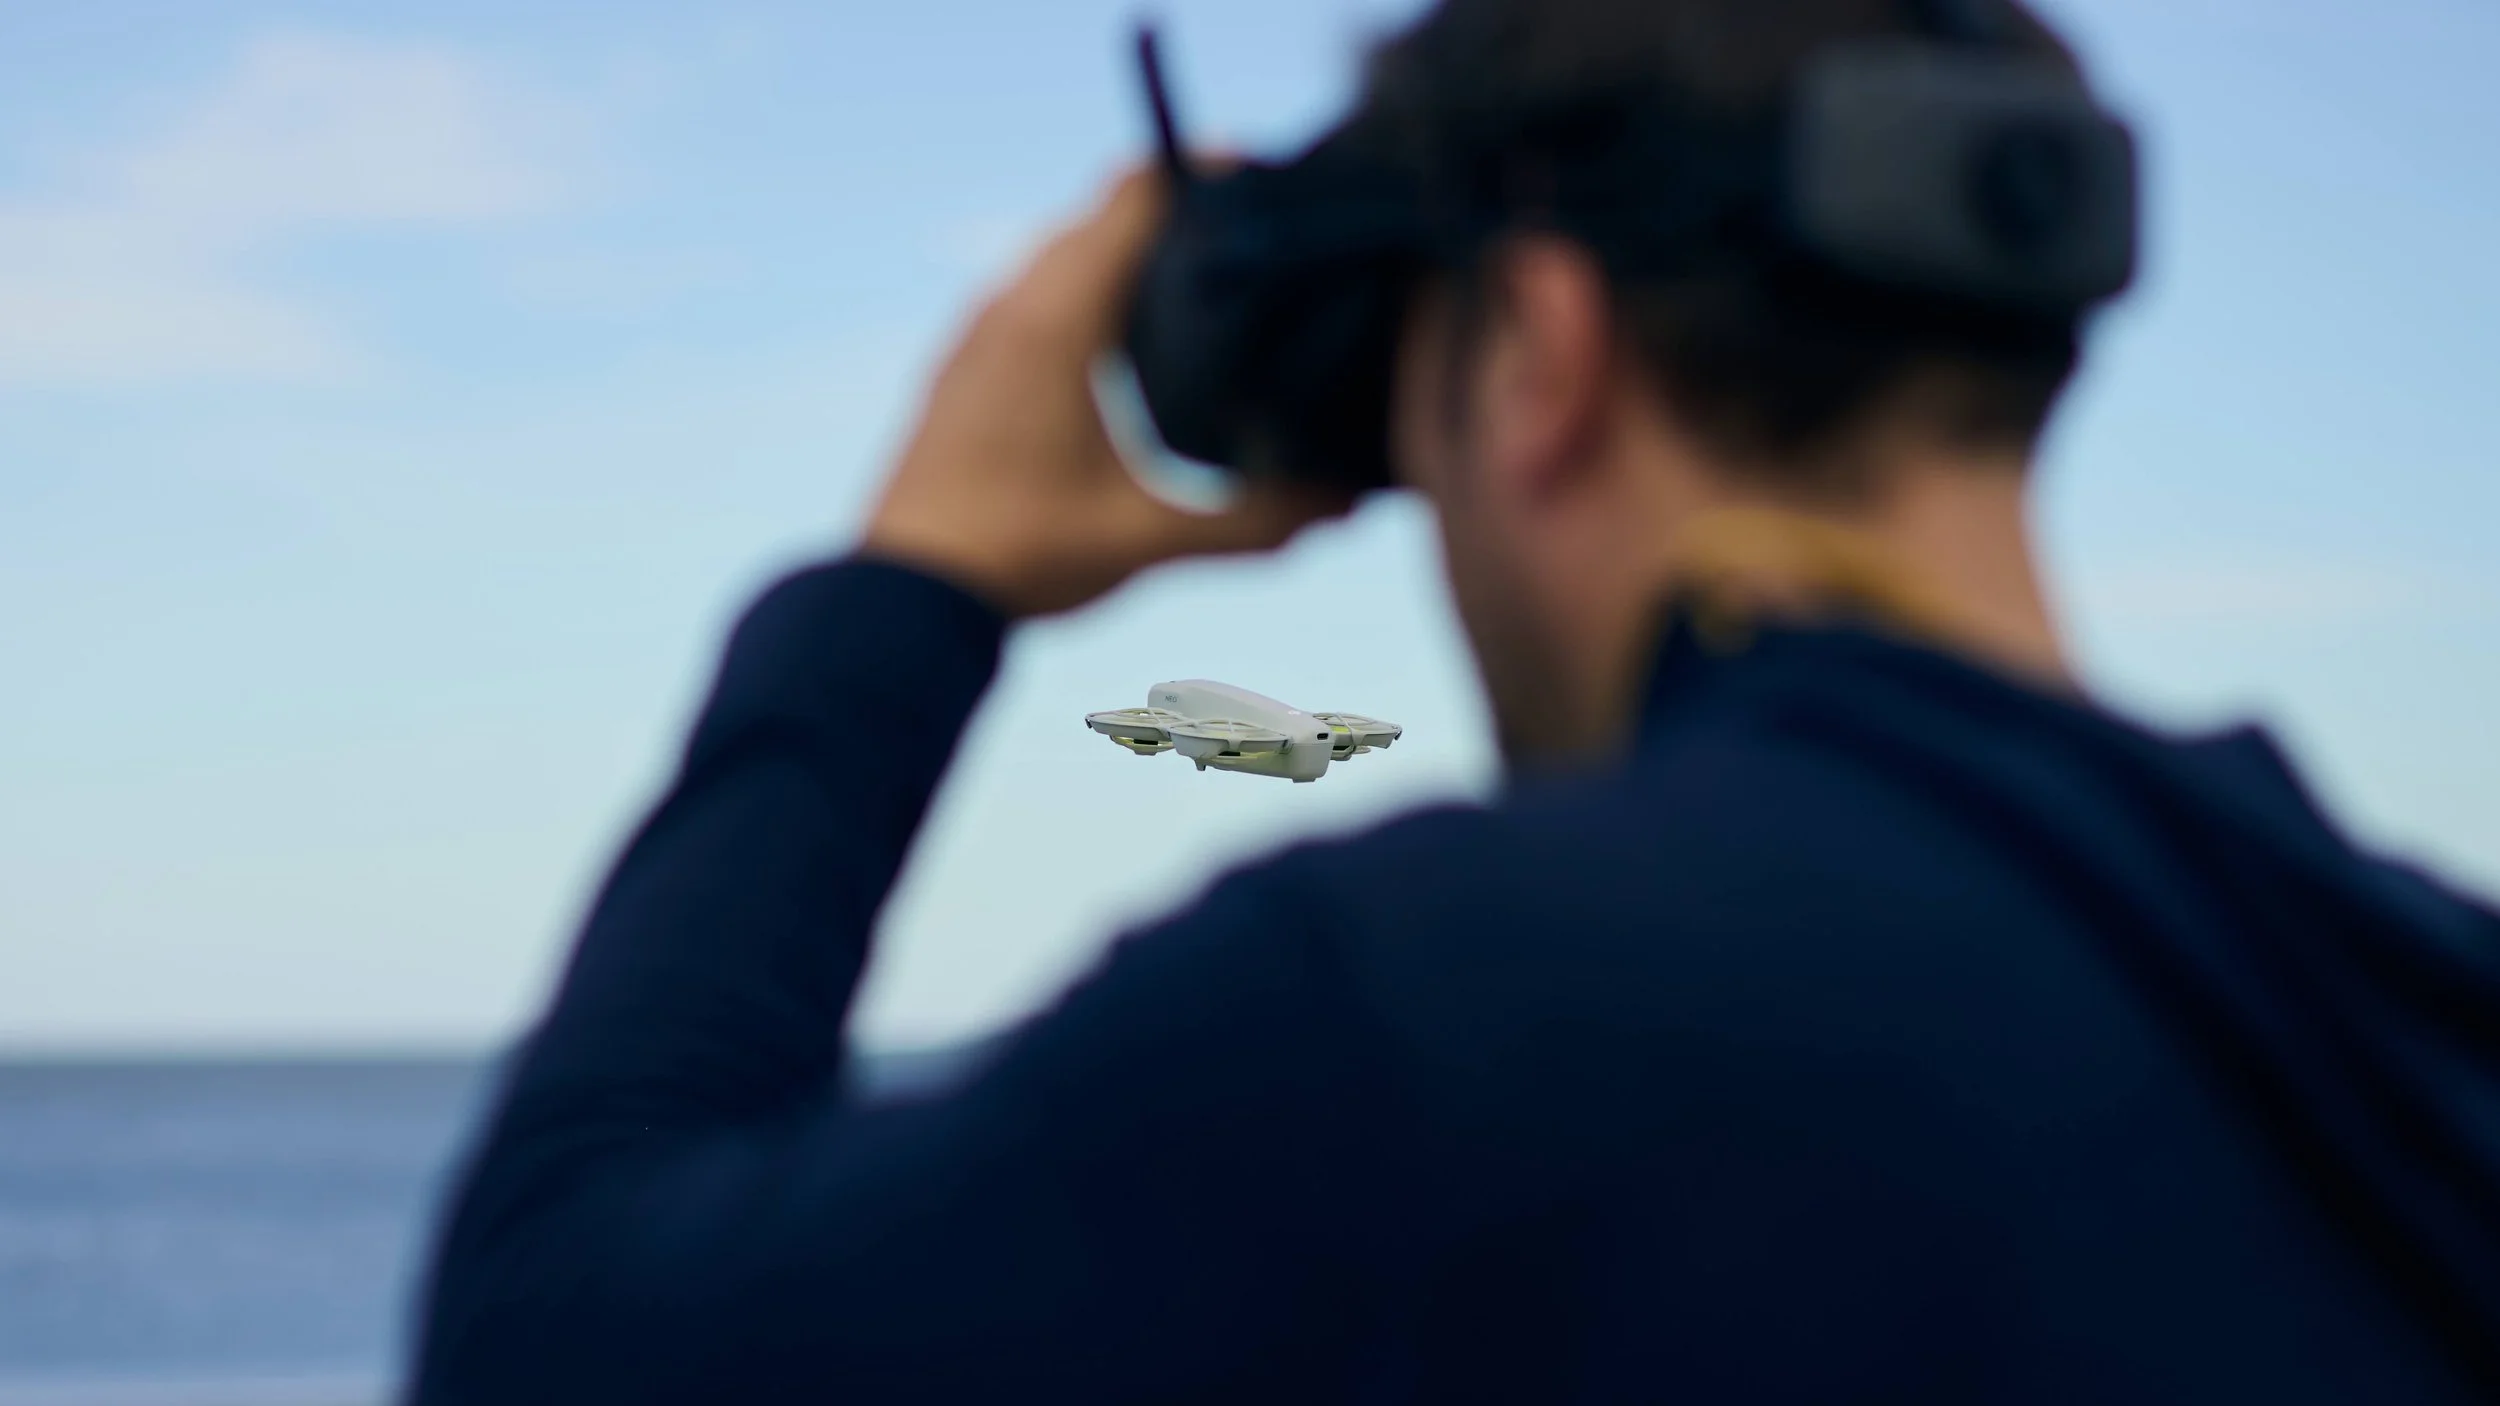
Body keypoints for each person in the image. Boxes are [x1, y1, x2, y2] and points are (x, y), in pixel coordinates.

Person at [408, 0, 2500, 1401]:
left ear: (1540, 352)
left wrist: (905, 590)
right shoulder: (2412, 1002)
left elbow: (543, 1337)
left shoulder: (1426, 1002)